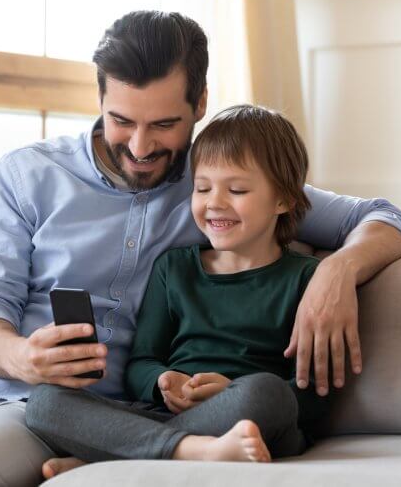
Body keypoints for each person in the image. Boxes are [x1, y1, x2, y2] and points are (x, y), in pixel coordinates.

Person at [0, 11, 401, 487]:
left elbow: (384, 219)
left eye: (164, 124)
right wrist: (22, 355)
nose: (140, 146)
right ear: (101, 100)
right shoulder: (27, 174)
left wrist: (337, 270)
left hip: (60, 410)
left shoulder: (218, 183)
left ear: (199, 104)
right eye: (122, 121)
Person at [25, 104, 331, 476]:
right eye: (202, 188)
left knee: (266, 392)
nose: (214, 202)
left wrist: (230, 390)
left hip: (255, 420)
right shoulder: (175, 268)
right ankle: (193, 449)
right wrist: (161, 382)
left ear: (283, 200)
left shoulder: (307, 279)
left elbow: (315, 394)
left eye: (236, 189)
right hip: (166, 413)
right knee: (44, 401)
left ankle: (113, 454)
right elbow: (141, 363)